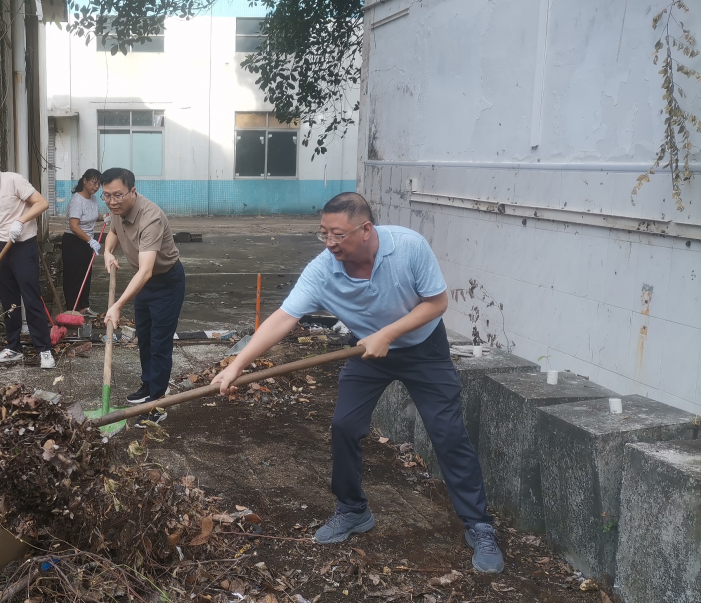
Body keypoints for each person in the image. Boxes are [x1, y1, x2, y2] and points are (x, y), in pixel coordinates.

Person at [210, 193, 505, 574]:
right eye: (323, 233)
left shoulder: (408, 247)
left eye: (338, 234)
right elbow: (284, 317)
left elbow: (436, 303)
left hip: (424, 349)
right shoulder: (322, 270)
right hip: (366, 350)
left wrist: (389, 334)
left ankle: (479, 524)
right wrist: (236, 366)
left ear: (366, 230)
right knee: (344, 426)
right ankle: (352, 510)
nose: (330, 242)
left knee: (447, 432)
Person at [101, 167, 184, 428]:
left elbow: (147, 270)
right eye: (106, 196)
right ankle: (149, 385)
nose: (112, 201)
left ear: (132, 191)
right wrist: (108, 252)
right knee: (145, 338)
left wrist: (117, 305)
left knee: (160, 343)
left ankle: (156, 404)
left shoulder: (151, 218)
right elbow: (114, 233)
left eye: (118, 195)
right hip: (143, 282)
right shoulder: (118, 211)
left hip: (165, 282)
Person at [0, 149, 56, 369]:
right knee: (9, 302)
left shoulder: (13, 180)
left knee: (31, 299)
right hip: (1, 249)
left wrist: (20, 221)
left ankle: (44, 349)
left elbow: (41, 203)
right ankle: (13, 348)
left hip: (23, 247)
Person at [62, 168, 103, 313]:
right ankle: (73, 310)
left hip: (86, 242)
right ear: (85, 181)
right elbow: (74, 226)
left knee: (86, 275)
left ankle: (84, 307)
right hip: (74, 242)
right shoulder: (76, 200)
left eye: (98, 184)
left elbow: (92, 216)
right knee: (74, 276)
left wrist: (104, 217)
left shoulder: (93, 199)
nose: (96, 187)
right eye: (93, 183)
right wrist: (91, 240)